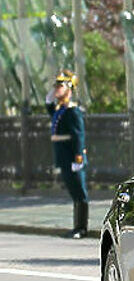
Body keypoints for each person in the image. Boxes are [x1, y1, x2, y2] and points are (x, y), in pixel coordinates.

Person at [45, 70, 88, 239]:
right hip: (63, 158)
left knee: (80, 193)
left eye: (60, 86)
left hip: (72, 158)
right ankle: (76, 226)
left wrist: (78, 157)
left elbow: (79, 135)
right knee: (74, 192)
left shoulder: (72, 111)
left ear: (69, 89)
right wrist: (55, 90)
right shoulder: (60, 110)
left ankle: (81, 228)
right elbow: (48, 103)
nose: (56, 89)